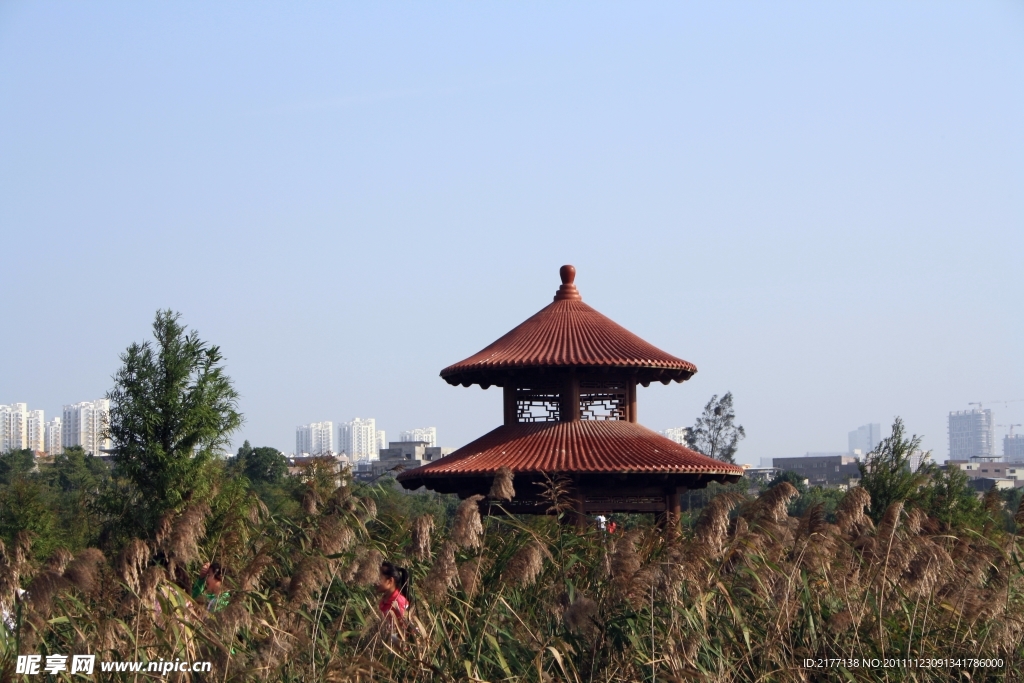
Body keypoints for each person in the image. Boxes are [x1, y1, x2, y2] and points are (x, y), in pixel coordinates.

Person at [377, 561, 411, 637]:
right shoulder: (384, 599)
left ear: (390, 581)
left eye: (379, 578)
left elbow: (406, 631)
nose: (375, 582)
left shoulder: (399, 602)